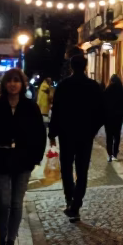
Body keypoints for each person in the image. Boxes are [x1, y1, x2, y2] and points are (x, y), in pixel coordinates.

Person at [0, 68, 46, 245]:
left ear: (22, 84)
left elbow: (39, 134)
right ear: (4, 84)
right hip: (0, 159)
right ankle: (2, 237)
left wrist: (35, 157)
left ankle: (10, 242)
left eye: (17, 81)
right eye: (10, 81)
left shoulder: (30, 107)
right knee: (4, 202)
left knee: (17, 203)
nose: (13, 84)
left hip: (23, 159)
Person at [48, 55, 104, 222]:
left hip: (66, 134)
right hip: (85, 135)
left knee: (66, 168)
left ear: (71, 67)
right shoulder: (93, 86)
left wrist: (52, 134)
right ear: (86, 66)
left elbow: (56, 111)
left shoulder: (64, 86)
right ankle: (76, 204)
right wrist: (92, 131)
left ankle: (69, 200)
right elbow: (102, 113)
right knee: (82, 170)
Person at [103, 74, 123, 161]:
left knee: (109, 136)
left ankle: (109, 154)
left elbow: (103, 103)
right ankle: (115, 153)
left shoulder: (108, 89)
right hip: (118, 117)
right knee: (117, 135)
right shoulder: (121, 90)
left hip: (109, 117)